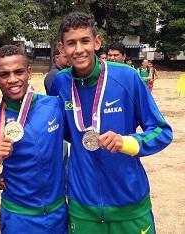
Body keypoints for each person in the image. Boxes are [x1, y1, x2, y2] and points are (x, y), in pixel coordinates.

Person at [50, 12, 173, 233]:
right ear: (62, 48)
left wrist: (127, 143)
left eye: (85, 41)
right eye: (71, 43)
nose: (79, 49)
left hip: (130, 204)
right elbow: (58, 132)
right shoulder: (59, 83)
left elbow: (162, 131)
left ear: (97, 42)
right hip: (82, 206)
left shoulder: (126, 77)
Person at [0, 45, 67, 233]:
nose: (13, 80)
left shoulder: (54, 105)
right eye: (4, 74)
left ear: (29, 73)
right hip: (19, 218)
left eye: (18, 72)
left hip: (59, 213)